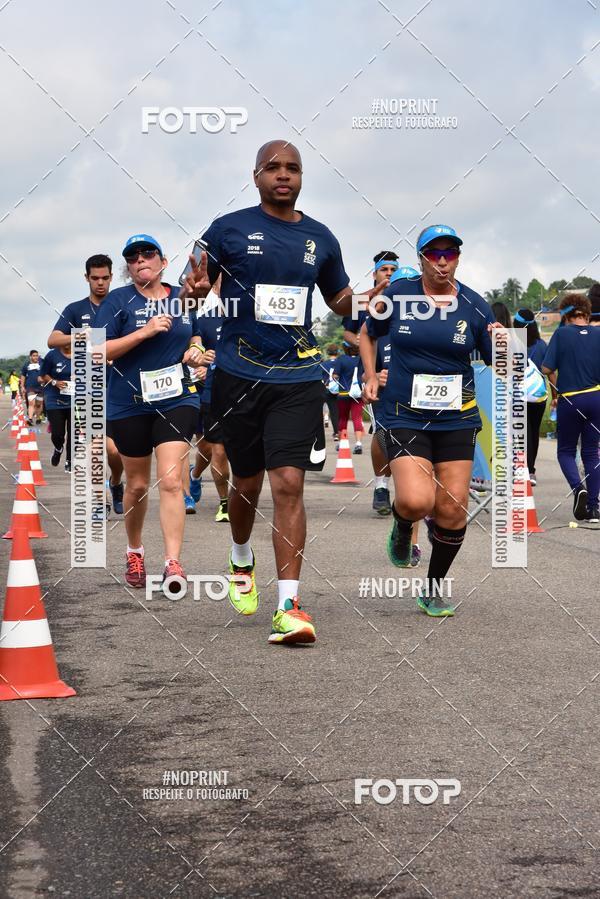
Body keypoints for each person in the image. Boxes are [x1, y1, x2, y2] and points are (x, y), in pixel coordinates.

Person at [181, 139, 386, 645]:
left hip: (297, 376)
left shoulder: (320, 236)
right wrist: (197, 288)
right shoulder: (227, 229)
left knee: (289, 484)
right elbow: (194, 283)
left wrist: (358, 298)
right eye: (273, 167)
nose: (283, 175)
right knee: (246, 486)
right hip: (238, 375)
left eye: (292, 168)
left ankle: (288, 605)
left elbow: (336, 298)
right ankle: (241, 557)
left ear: (301, 178)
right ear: (255, 176)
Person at [361, 224, 500, 617]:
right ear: (421, 258)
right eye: (434, 253)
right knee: (415, 499)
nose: (442, 261)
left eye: (450, 253)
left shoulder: (474, 305)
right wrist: (371, 376)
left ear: (458, 257)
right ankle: (404, 524)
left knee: (452, 510)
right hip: (404, 414)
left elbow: (499, 362)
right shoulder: (399, 295)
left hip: (457, 418)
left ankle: (434, 587)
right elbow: (367, 335)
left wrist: (502, 341)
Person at [95, 234, 206, 587]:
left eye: (148, 253)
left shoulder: (180, 298)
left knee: (172, 480)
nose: (140, 259)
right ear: (129, 267)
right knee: (138, 485)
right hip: (128, 403)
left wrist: (195, 351)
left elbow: (196, 336)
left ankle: (173, 562)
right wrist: (143, 333)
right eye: (133, 256)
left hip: (177, 399)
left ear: (162, 261)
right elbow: (98, 352)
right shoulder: (117, 301)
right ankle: (134, 551)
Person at [48, 254, 125, 515]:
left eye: (105, 278)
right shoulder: (75, 309)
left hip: (118, 387)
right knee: (94, 447)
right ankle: (98, 502)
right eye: (95, 278)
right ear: (86, 278)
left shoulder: (122, 303)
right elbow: (52, 339)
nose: (100, 283)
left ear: (112, 277)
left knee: (114, 450)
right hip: (88, 388)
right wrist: (82, 335)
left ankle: (116, 484)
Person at [542, 293, 600, 523]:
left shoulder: (561, 334)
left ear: (566, 315)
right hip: (596, 398)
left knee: (565, 451)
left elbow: (546, 368)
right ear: (586, 313)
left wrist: (558, 382)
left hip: (570, 399)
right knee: (592, 452)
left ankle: (579, 490)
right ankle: (595, 508)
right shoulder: (598, 334)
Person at [188, 287, 231, 523]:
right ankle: (223, 501)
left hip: (248, 395)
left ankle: (240, 498)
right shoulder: (204, 319)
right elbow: (190, 353)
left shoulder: (252, 315)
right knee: (213, 449)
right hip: (212, 394)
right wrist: (199, 362)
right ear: (216, 286)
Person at [513, 308, 547, 485]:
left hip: (519, 395)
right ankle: (531, 471)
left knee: (523, 433)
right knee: (534, 431)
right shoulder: (541, 345)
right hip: (539, 396)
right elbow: (548, 370)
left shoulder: (513, 344)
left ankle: (523, 469)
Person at [343, 251, 399, 348]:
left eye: (393, 270)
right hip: (369, 359)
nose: (389, 273)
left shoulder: (403, 300)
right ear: (374, 275)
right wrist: (359, 342)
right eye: (384, 269)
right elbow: (348, 333)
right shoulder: (361, 300)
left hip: (397, 360)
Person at [39, 345, 73, 471]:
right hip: (54, 399)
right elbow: (43, 374)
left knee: (73, 433)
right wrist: (55, 382)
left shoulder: (83, 354)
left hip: (75, 400)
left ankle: (70, 461)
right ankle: (58, 448)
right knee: (58, 434)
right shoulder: (52, 355)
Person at [330, 342, 365, 453]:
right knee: (357, 418)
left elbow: (335, 376)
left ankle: (342, 443)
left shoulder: (342, 359)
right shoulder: (362, 359)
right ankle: (358, 443)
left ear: (345, 348)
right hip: (358, 394)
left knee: (343, 418)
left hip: (344, 393)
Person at [322, 344, 340, 444]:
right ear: (337, 352)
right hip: (339, 389)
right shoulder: (340, 362)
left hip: (327, 389)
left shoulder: (324, 364)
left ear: (328, 353)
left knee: (333, 412)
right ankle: (341, 430)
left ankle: (336, 433)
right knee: (339, 411)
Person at [20, 350, 44, 424]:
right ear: (30, 356)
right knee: (31, 403)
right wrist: (22, 386)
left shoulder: (42, 364)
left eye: (37, 355)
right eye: (34, 355)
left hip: (41, 387)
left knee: (39, 404)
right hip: (30, 387)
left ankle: (38, 417)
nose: (36, 357)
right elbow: (23, 376)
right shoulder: (26, 365)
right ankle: (30, 419)